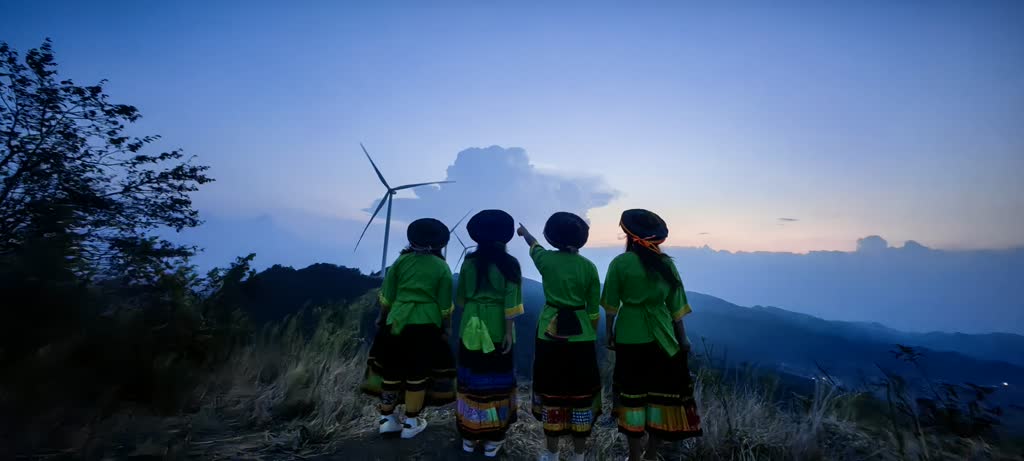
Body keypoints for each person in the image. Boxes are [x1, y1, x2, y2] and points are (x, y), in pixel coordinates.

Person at [602, 209, 702, 461]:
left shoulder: (620, 264)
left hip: (630, 335)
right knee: (661, 398)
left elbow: (611, 306)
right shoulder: (666, 264)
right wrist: (683, 338)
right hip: (664, 337)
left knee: (632, 397)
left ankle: (634, 456)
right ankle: (651, 453)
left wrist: (609, 333)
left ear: (629, 236)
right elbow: (676, 307)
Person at [361, 218, 457, 439]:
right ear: (440, 243)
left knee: (391, 370)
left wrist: (380, 318)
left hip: (396, 322)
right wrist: (447, 328)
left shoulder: (400, 262)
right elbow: (445, 307)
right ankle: (411, 421)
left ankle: (386, 418)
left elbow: (386, 297)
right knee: (418, 373)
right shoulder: (442, 267)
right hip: (426, 325)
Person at [517, 212, 602, 461]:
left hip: (549, 334)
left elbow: (534, 245)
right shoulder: (589, 267)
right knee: (581, 395)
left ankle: (551, 453)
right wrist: (590, 335)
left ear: (553, 238)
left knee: (551, 389)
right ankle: (578, 454)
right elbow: (594, 311)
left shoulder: (546, 260)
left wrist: (524, 233)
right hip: (582, 336)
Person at [454, 210, 524, 457]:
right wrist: (507, 332)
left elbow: (461, 299)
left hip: (470, 327)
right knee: (497, 383)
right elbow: (512, 304)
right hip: (497, 327)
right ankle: (493, 439)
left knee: (470, 381)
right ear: (504, 237)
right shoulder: (510, 264)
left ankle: (469, 437)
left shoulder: (469, 262)